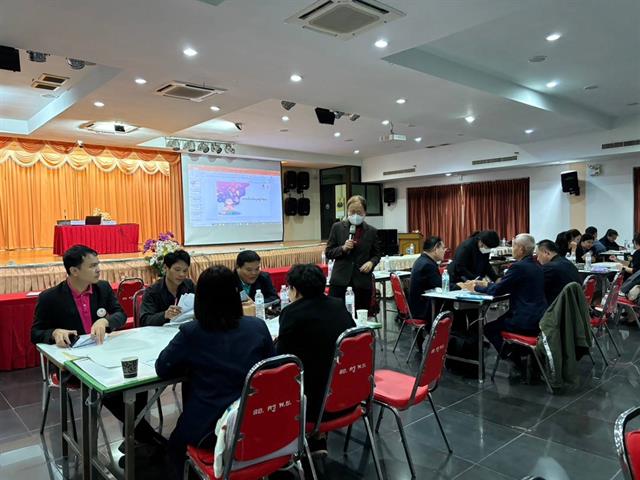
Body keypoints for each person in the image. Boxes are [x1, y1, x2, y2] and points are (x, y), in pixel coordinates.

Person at [31, 245, 164, 453]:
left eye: (98, 264)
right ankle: (146, 436)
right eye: (92, 266)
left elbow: (119, 314)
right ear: (74, 271)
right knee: (109, 390)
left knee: (136, 380)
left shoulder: (101, 288)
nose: (98, 269)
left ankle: (136, 435)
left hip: (105, 354)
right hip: (72, 363)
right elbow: (36, 332)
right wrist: (54, 332)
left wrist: (106, 322)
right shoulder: (51, 298)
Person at [156, 266, 275, 479]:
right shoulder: (257, 326)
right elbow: (272, 367)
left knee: (174, 447)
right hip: (255, 421)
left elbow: (162, 367)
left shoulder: (193, 332)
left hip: (210, 429)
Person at [276, 264, 355, 454]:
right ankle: (319, 437)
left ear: (295, 289)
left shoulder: (291, 313)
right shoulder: (337, 305)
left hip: (311, 406)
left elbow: (283, 361)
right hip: (349, 395)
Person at [460, 234, 547, 363]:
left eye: (514, 246)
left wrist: (475, 288)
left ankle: (510, 355)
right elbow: (507, 285)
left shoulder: (518, 267)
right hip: (540, 317)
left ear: (521, 249)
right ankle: (518, 351)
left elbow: (497, 290)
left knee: (488, 327)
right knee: (500, 319)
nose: (512, 249)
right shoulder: (537, 265)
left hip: (524, 319)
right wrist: (487, 284)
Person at [325, 195, 381, 311]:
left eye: (359, 212)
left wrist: (371, 262)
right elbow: (329, 252)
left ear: (365, 212)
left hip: (362, 282)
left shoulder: (372, 231)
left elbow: (377, 254)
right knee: (335, 316)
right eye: (352, 211)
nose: (355, 215)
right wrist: (343, 248)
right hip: (340, 281)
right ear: (347, 212)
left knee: (360, 317)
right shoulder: (337, 227)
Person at [140, 250, 195, 326]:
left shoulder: (189, 285)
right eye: (177, 270)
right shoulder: (152, 291)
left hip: (185, 330)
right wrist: (165, 315)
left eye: (185, 271)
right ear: (166, 268)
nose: (182, 274)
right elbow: (145, 320)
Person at [408, 236, 445, 322]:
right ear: (436, 249)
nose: (444, 251)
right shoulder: (428, 265)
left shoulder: (422, 260)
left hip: (417, 306)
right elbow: (441, 285)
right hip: (423, 309)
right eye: (443, 248)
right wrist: (460, 286)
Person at [536, 239, 581, 305]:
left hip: (559, 308)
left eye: (538, 255)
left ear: (546, 253)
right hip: (574, 303)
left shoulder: (550, 267)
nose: (537, 259)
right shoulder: (567, 262)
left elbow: (537, 287)